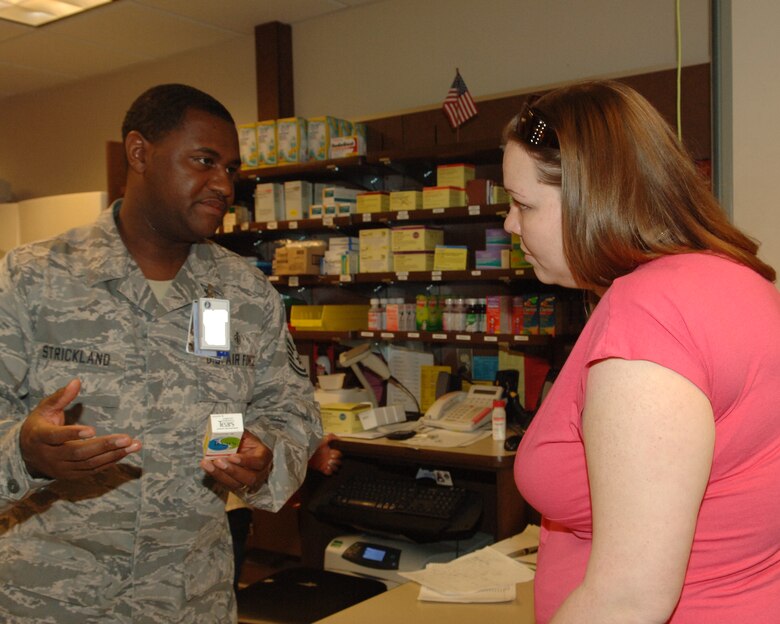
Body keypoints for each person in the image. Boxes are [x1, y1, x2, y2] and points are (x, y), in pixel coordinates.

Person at [0, 84, 322, 623]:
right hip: (51, 602)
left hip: (189, 601)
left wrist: (265, 455)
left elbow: (293, 412)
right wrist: (25, 454)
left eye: (232, 170)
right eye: (204, 161)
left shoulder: (246, 295)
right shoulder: (31, 278)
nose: (223, 184)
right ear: (139, 152)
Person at [504, 80, 780, 623]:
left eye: (522, 204)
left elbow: (629, 599)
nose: (511, 225)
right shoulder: (741, 281)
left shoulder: (650, 310)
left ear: (593, 199)